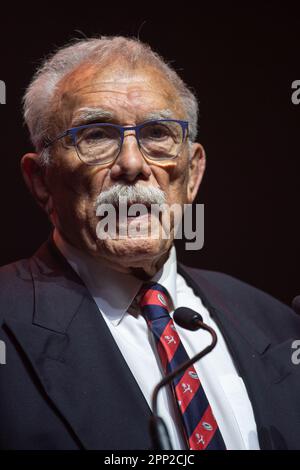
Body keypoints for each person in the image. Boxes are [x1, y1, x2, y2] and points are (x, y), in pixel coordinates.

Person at [0, 36, 300, 450]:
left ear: (192, 174)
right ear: (41, 180)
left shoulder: (278, 325)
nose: (132, 164)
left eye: (157, 134)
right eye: (96, 136)